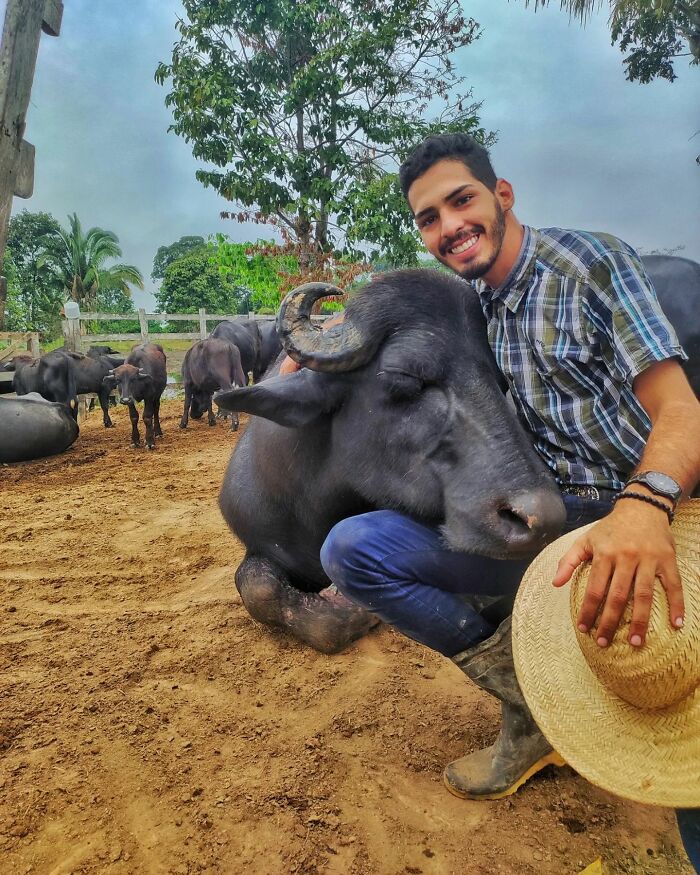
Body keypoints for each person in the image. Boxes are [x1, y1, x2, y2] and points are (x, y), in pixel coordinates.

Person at [280, 134, 700, 798]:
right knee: (353, 549)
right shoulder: (474, 304)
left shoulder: (590, 262)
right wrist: (325, 353)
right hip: (541, 517)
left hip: (629, 509)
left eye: (461, 200)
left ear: (502, 195)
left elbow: (682, 408)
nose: (449, 227)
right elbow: (398, 326)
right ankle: (530, 703)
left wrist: (645, 505)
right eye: (428, 218)